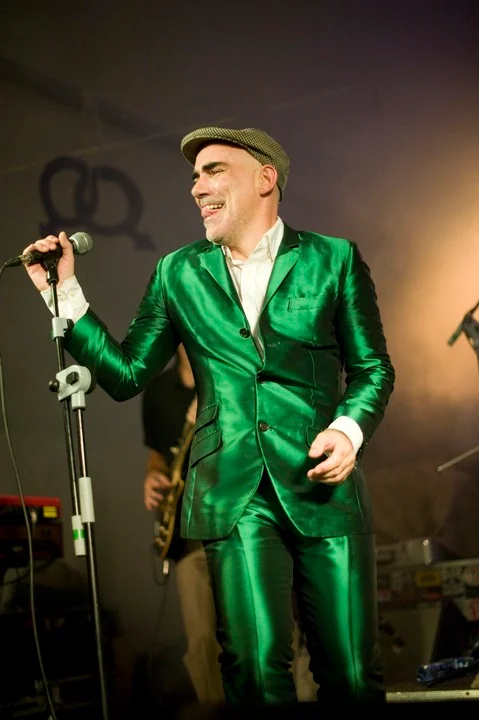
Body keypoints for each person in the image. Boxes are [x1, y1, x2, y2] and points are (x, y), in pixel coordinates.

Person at [23, 126, 395, 706]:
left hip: (325, 485)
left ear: (265, 178)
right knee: (254, 675)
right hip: (232, 490)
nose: (196, 187)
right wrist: (64, 292)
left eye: (213, 171)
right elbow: (125, 375)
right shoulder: (178, 272)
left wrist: (348, 431)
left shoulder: (334, 258)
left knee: (349, 675)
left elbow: (373, 368)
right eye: (194, 176)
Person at [142, 344, 224, 705]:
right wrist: (152, 477)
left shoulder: (229, 371)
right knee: (202, 641)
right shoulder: (158, 392)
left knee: (268, 628)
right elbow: (157, 456)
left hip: (242, 521)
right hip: (188, 533)